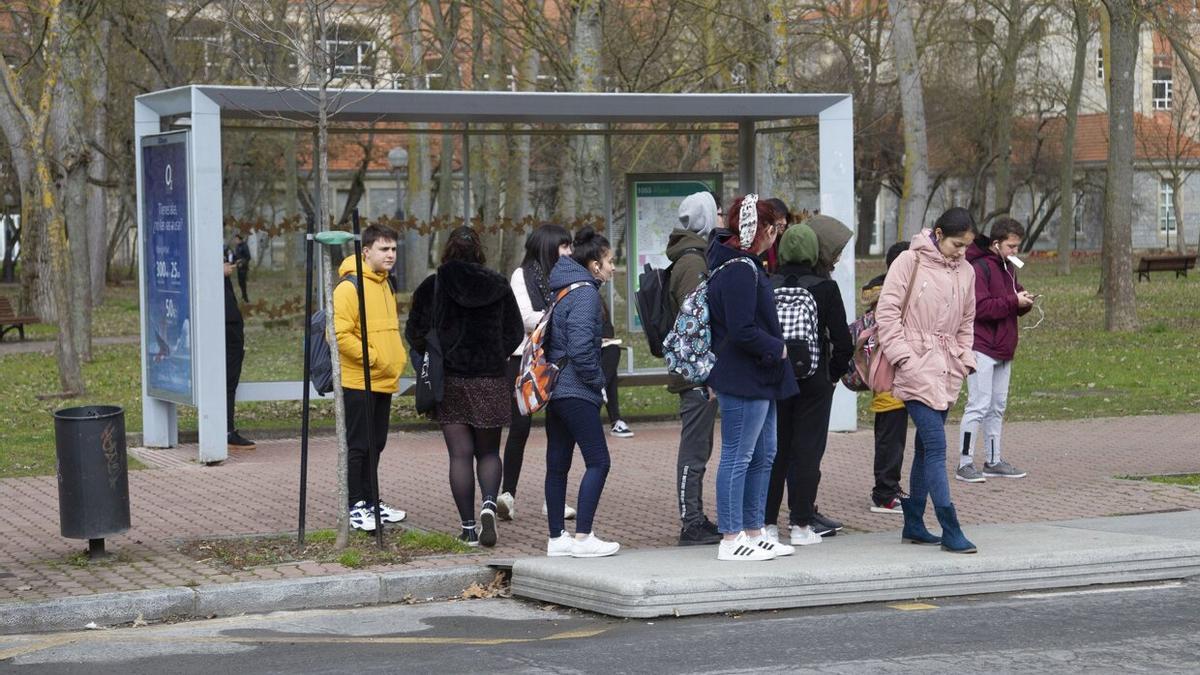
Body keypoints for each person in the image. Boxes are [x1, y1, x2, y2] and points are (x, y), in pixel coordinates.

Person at [406, 226, 524, 547]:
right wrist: (494, 353)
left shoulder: (433, 286)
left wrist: (436, 350)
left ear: (447, 250)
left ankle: (468, 529)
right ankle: (489, 503)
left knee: (460, 455)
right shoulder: (498, 285)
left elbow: (414, 333)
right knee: (489, 452)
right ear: (479, 251)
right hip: (490, 379)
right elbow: (514, 332)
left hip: (451, 380)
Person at [875, 207, 979, 554]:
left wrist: (964, 357)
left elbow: (967, 320)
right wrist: (904, 357)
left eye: (966, 246)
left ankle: (914, 523)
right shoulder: (909, 261)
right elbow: (887, 312)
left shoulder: (966, 271)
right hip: (914, 366)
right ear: (938, 234)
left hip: (947, 368)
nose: (961, 252)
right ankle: (950, 527)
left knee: (924, 448)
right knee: (936, 445)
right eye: (956, 244)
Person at [707, 194, 799, 562]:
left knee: (764, 453)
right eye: (774, 227)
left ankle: (755, 531)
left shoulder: (743, 265)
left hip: (758, 374)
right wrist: (777, 348)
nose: (777, 234)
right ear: (758, 229)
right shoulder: (739, 269)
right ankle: (731, 537)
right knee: (739, 455)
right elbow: (742, 329)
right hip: (745, 375)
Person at [763, 217, 853, 547]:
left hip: (776, 377)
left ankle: (767, 524)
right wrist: (832, 375)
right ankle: (801, 525)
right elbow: (843, 342)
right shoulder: (825, 288)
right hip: (814, 380)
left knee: (775, 451)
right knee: (807, 452)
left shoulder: (768, 284)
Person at [544, 227, 621, 558]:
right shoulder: (586, 293)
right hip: (576, 390)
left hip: (555, 389)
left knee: (557, 464)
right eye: (610, 261)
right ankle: (583, 535)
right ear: (594, 265)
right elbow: (579, 348)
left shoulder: (562, 289)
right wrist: (598, 381)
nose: (613, 267)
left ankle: (557, 538)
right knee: (599, 462)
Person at [499, 224, 577, 522]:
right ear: (548, 246)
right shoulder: (522, 275)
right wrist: (560, 316)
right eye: (564, 245)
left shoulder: (569, 275)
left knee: (559, 428)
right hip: (524, 359)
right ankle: (508, 495)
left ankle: (553, 499)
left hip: (556, 357)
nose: (569, 251)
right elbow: (525, 317)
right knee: (519, 428)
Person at [334, 224, 408, 532]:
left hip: (383, 379)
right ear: (366, 252)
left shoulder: (385, 284)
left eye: (393, 249)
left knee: (376, 443)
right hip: (359, 380)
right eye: (384, 249)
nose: (390, 255)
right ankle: (356, 505)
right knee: (359, 445)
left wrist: (393, 360)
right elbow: (339, 335)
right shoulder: (349, 288)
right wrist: (375, 358)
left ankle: (371, 500)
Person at [956, 217, 1034, 482]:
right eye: (1011, 246)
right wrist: (1014, 302)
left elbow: (1013, 297)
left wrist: (1024, 302)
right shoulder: (979, 268)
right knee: (978, 405)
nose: (1015, 251)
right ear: (996, 243)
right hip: (982, 346)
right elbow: (981, 307)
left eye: (1017, 246)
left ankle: (993, 460)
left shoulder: (1009, 267)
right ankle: (965, 463)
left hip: (1004, 347)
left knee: (997, 407)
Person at [668, 191, 722, 546]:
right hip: (695, 375)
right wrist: (707, 373)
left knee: (699, 447)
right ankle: (691, 521)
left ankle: (696, 518)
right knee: (695, 450)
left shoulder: (689, 256)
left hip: (692, 372)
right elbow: (695, 325)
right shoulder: (693, 263)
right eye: (716, 213)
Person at [863, 242, 912, 514]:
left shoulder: (888, 292)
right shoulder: (892, 296)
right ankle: (884, 492)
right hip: (888, 373)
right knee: (890, 436)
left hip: (893, 373)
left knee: (893, 433)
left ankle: (890, 486)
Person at [223, 250, 254, 451]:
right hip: (227, 329)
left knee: (228, 382)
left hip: (230, 327)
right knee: (227, 382)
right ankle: (226, 430)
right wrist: (218, 272)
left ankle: (226, 428)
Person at [600, 302, 633, 439]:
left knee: (613, 350)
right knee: (610, 371)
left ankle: (600, 386)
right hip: (581, 355)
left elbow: (608, 329)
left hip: (600, 354)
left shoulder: (597, 303)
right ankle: (616, 420)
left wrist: (602, 339)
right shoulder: (573, 301)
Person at [233, 234, 251, 303]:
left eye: (237, 239)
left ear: (240, 239)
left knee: (243, 282)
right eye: (235, 239)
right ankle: (243, 295)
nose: (235, 240)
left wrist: (241, 262)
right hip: (238, 267)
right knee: (240, 282)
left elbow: (248, 257)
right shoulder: (237, 247)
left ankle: (245, 297)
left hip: (243, 267)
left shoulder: (244, 246)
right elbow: (236, 256)